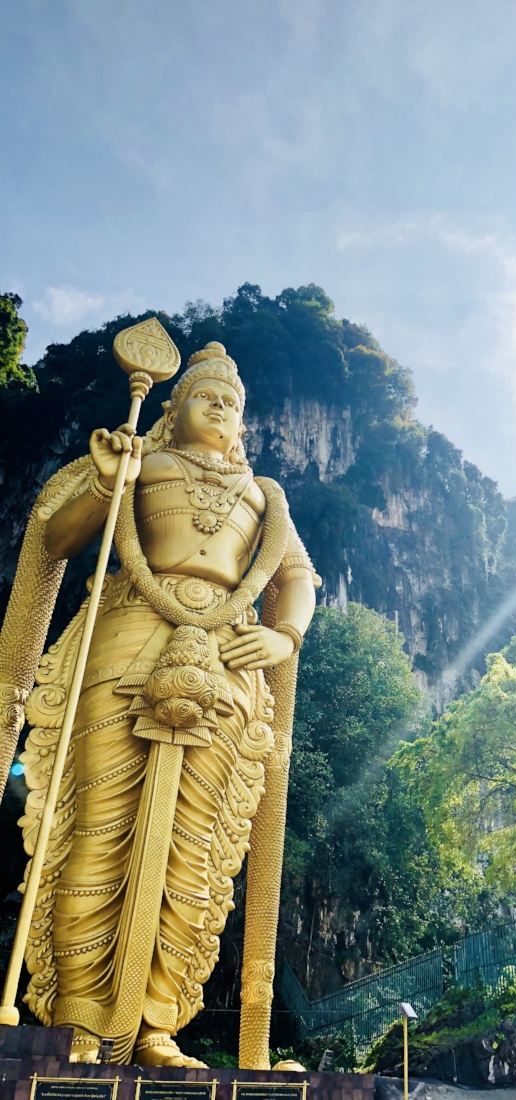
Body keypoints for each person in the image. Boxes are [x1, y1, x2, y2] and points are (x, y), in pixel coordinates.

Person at [15, 341, 318, 1065]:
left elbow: (297, 577)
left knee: (197, 847)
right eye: (205, 398)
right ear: (173, 409)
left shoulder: (264, 496)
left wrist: (285, 637)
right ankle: (83, 1021)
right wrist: (105, 482)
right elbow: (57, 539)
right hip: (127, 641)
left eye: (232, 404)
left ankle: (154, 1025)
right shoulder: (140, 463)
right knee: (98, 822)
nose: (221, 410)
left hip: (227, 661)